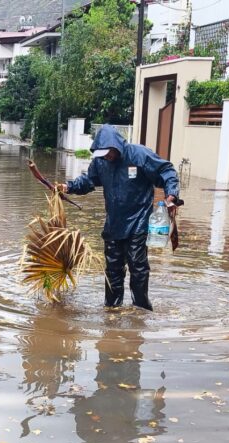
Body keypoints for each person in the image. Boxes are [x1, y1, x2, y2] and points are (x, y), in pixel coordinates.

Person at [57, 125, 180, 311]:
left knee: (138, 268)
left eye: (109, 153)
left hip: (139, 221)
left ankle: (141, 309)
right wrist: (68, 187)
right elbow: (89, 181)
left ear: (117, 146)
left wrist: (171, 195)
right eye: (103, 154)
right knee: (113, 269)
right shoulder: (101, 162)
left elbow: (167, 171)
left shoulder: (139, 155)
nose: (107, 156)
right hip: (114, 223)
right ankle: (112, 308)